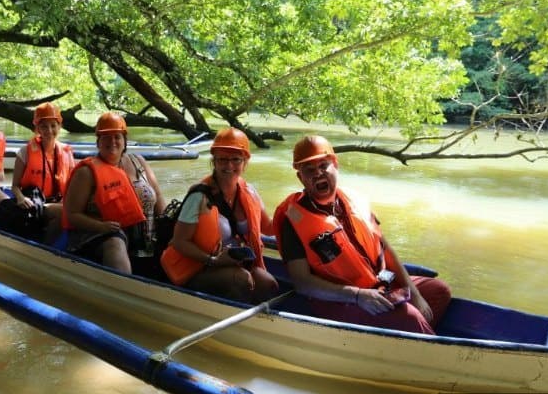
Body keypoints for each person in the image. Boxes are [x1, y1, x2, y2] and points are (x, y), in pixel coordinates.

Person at [272, 135, 451, 334]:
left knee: (439, 291)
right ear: (300, 177)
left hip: (380, 282)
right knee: (409, 317)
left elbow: (385, 249)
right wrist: (358, 295)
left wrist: (415, 293)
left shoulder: (355, 200)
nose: (318, 173)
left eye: (324, 165)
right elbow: (303, 283)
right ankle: (421, 341)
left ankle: (404, 341)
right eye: (309, 170)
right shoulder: (293, 219)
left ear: (335, 165)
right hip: (338, 300)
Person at [161, 127, 279, 303]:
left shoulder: (249, 192)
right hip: (199, 267)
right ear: (214, 161)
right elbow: (179, 242)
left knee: (269, 284)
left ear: (245, 161)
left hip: (234, 264)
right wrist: (214, 260)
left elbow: (268, 228)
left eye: (236, 160)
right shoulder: (199, 196)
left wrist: (292, 208)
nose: (229, 166)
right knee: (241, 280)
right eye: (223, 159)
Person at [62, 112, 165, 272]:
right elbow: (72, 214)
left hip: (144, 239)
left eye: (117, 136)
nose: (112, 142)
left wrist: (168, 228)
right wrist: (101, 226)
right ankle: (124, 288)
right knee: (116, 243)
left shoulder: (139, 162)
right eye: (106, 137)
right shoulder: (86, 173)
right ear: (98, 142)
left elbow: (158, 198)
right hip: (101, 236)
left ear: (125, 140)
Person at [0, 102, 76, 241]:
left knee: (75, 211)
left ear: (60, 126)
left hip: (57, 202)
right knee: (66, 214)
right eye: (44, 126)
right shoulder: (25, 152)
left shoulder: (67, 152)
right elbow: (15, 186)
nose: (49, 130)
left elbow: (71, 188)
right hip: (35, 203)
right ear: (37, 128)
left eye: (53, 125)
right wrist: (21, 198)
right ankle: (43, 247)